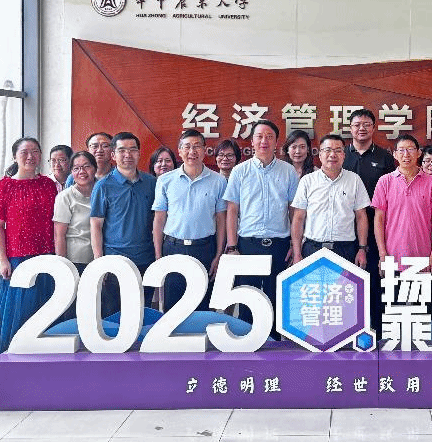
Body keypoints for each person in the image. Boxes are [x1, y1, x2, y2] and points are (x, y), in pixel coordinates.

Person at [0, 137, 58, 386]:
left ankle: (44, 369)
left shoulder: (48, 185)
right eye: (25, 152)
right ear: (15, 157)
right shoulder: (4, 186)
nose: (30, 156)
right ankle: (11, 370)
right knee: (16, 314)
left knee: (44, 310)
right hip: (18, 258)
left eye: (35, 151)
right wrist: (3, 259)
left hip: (47, 256)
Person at [223, 120, 298, 333]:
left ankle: (275, 345)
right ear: (252, 141)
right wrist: (232, 246)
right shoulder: (240, 171)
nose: (264, 141)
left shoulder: (288, 171)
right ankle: (245, 342)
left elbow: (294, 211)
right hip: (248, 245)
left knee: (276, 299)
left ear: (276, 142)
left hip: (279, 245)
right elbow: (232, 211)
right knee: (248, 298)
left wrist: (294, 245)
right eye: (259, 136)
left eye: (269, 136)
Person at [152, 129, 227, 311]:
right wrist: (158, 256)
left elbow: (221, 221)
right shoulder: (165, 180)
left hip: (205, 249)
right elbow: (159, 220)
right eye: (187, 147)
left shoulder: (218, 181)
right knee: (172, 307)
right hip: (173, 248)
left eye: (197, 146)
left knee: (202, 306)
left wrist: (218, 255)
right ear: (179, 151)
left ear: (205, 150)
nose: (192, 151)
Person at [90, 132, 157, 315]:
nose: (128, 155)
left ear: (139, 153)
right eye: (122, 150)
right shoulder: (103, 186)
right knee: (115, 314)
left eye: (132, 150)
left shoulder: (151, 183)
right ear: (113, 155)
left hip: (146, 258)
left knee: (143, 311)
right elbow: (96, 225)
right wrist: (99, 261)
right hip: (115, 260)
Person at [343, 108, 396, 333]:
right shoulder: (341, 155)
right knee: (347, 281)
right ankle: (349, 328)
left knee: (374, 279)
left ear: (374, 128)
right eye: (357, 125)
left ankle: (377, 328)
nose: (361, 129)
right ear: (350, 129)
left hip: (376, 228)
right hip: (345, 229)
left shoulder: (385, 157)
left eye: (366, 124)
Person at [291, 134, 370, 268]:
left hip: (345, 250)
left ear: (344, 155)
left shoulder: (354, 180)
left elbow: (361, 217)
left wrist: (362, 248)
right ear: (320, 155)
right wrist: (297, 253)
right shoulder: (307, 181)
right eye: (327, 150)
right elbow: (298, 218)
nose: (332, 155)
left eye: (338, 150)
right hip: (313, 249)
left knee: (344, 283)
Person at [372, 134, 432, 272]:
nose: (406, 154)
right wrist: (382, 254)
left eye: (410, 149)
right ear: (395, 154)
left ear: (419, 153)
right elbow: (379, 219)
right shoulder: (385, 181)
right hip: (393, 258)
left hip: (423, 258)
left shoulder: (431, 183)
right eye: (401, 150)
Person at [53, 151, 97, 273]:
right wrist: (63, 266)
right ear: (71, 172)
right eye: (76, 168)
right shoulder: (65, 197)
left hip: (102, 258)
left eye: (86, 166)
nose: (82, 171)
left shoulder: (103, 193)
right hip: (75, 261)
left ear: (95, 168)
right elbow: (59, 235)